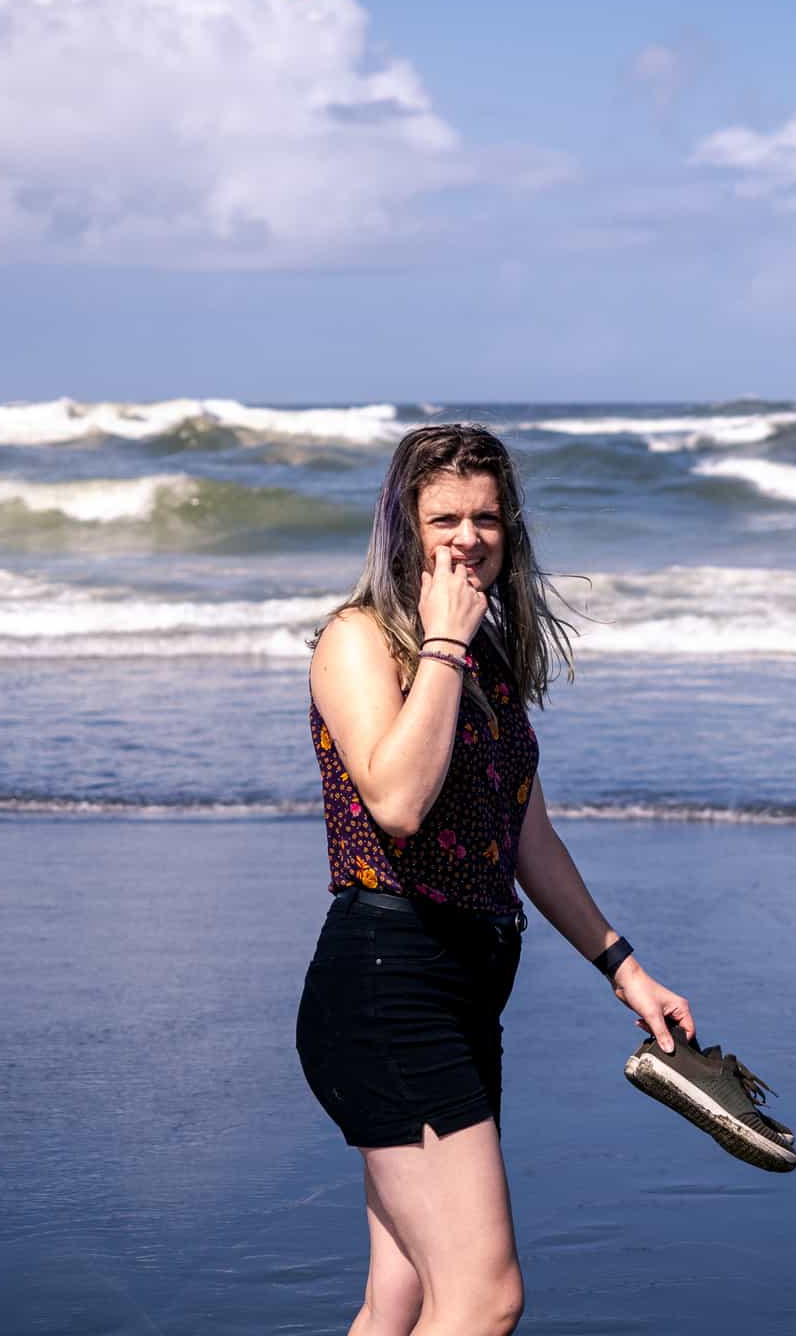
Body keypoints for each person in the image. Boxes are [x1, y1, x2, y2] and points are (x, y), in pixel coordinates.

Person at [297, 423, 695, 1336]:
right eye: (445, 517)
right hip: (388, 984)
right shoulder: (360, 642)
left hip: (466, 988)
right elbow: (396, 801)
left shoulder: (485, 659)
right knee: (483, 1299)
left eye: (487, 516)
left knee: (399, 1297)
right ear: (403, 524)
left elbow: (528, 835)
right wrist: (441, 645)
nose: (467, 537)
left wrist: (624, 968)